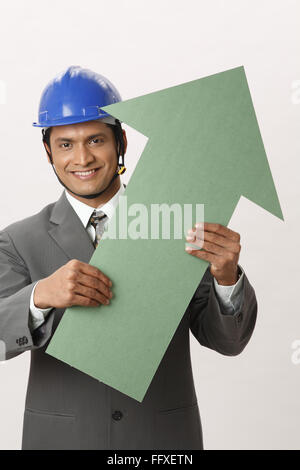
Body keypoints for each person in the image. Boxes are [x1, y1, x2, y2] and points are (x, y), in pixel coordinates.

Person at [0, 65, 257, 450]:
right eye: (65, 144)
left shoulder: (177, 226)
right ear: (48, 151)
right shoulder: (19, 240)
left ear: (121, 141)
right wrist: (39, 297)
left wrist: (226, 278)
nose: (82, 158)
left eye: (96, 140)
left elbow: (228, 342)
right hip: (61, 440)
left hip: (162, 441)